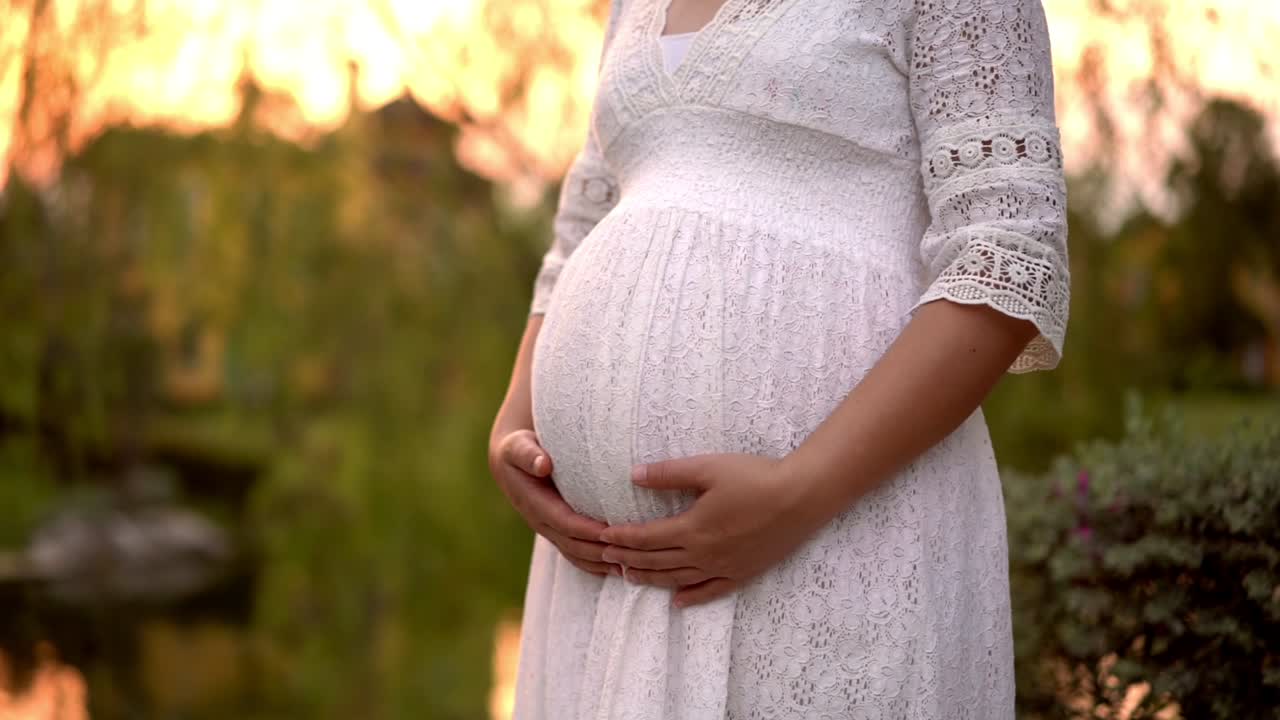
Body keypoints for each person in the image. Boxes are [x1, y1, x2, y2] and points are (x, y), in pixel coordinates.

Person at [487, 0, 1069, 716]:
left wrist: (801, 490)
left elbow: (1007, 258)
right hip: (601, 583)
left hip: (837, 535)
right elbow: (579, 232)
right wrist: (515, 420)